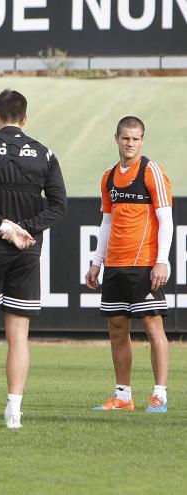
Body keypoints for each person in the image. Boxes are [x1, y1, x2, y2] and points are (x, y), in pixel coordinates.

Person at [0, 89, 67, 429]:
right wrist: (26, 229)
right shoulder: (45, 153)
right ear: (25, 119)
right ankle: (14, 412)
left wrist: (3, 225)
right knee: (18, 335)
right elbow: (58, 205)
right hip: (27, 250)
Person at [85, 116, 172, 414]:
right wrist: (97, 262)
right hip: (115, 265)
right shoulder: (108, 176)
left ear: (142, 140)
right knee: (117, 327)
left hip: (145, 264)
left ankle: (159, 395)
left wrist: (162, 261)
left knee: (152, 327)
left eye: (135, 139)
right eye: (125, 138)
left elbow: (166, 220)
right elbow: (106, 222)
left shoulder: (152, 171)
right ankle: (123, 396)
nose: (130, 144)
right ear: (116, 138)